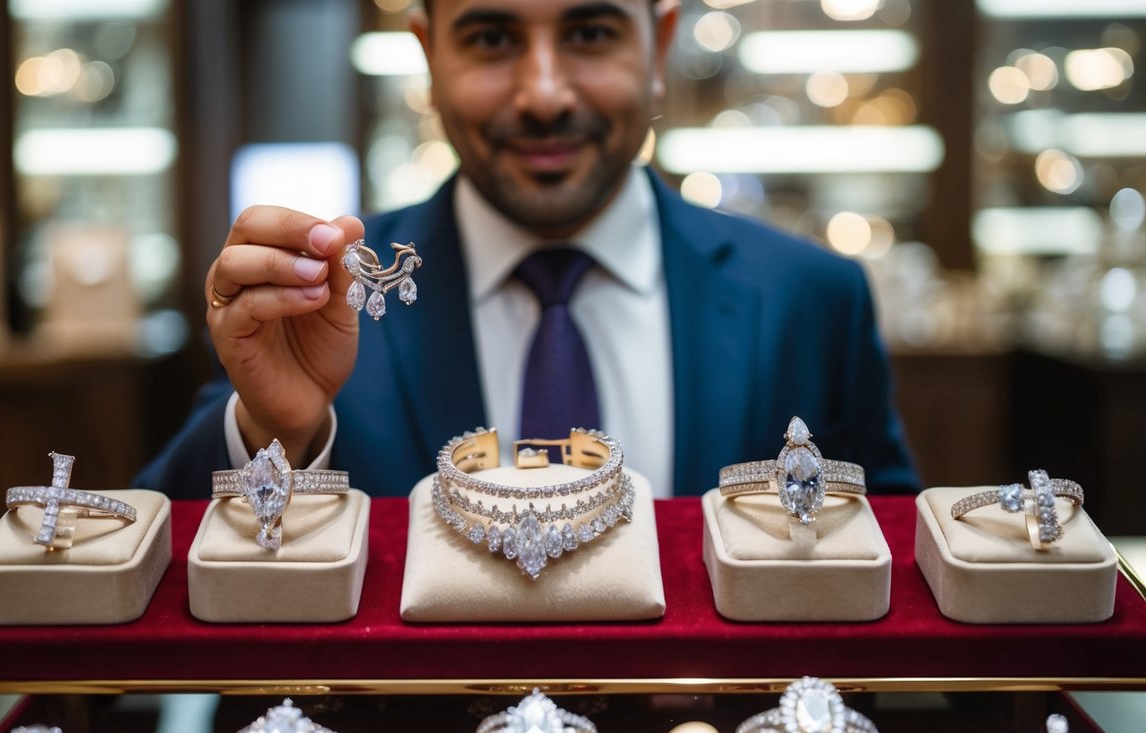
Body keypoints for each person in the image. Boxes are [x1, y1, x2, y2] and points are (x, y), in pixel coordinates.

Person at [136, 0, 918, 499]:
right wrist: (276, 432)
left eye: (588, 32)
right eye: (490, 36)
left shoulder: (811, 299)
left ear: (659, 49)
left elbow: (887, 606)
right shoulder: (324, 293)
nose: (543, 93)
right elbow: (150, 594)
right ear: (428, 57)